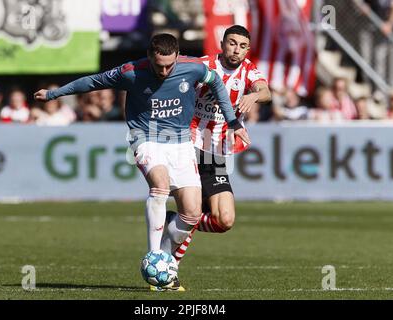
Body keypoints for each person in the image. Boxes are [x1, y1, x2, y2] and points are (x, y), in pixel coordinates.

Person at [34, 33, 250, 291]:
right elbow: (92, 82)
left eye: (170, 65)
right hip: (146, 138)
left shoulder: (192, 68)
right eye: (159, 65)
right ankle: (153, 256)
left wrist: (233, 121)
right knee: (160, 184)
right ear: (149, 56)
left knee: (191, 213)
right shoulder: (131, 72)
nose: (165, 70)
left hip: (181, 142)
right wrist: (54, 93)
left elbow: (216, 83)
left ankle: (163, 268)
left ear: (178, 56)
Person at [164, 25, 271, 265]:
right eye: (232, 43)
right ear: (222, 43)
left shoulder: (249, 72)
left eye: (243, 46)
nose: (236, 50)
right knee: (192, 209)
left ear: (248, 50)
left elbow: (265, 91)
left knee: (224, 220)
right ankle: (169, 266)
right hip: (189, 144)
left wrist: (253, 96)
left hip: (217, 152)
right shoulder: (202, 65)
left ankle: (175, 221)